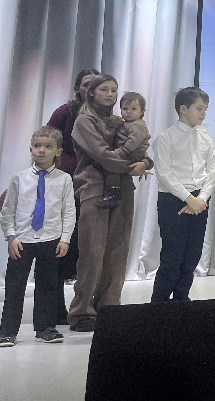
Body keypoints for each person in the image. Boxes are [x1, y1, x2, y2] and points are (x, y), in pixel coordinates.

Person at [69, 74, 151, 331]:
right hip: (94, 187)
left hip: (123, 188)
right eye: (104, 89)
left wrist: (145, 162)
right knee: (92, 252)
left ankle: (109, 307)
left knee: (118, 250)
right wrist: (133, 167)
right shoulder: (84, 121)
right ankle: (82, 312)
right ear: (91, 92)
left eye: (114, 90)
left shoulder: (119, 121)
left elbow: (140, 149)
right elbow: (102, 155)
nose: (110, 94)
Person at [0, 127, 75, 346]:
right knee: (15, 286)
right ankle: (7, 331)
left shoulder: (64, 180)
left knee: (48, 285)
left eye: (48, 146)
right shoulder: (19, 178)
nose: (42, 150)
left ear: (58, 151)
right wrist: (11, 237)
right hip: (21, 241)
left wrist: (65, 239)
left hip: (51, 239)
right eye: (37, 146)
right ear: (30, 149)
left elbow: (69, 212)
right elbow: (7, 210)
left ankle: (45, 328)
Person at [150, 87, 215, 303]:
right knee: (173, 255)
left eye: (205, 109)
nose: (203, 114)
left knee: (192, 255)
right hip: (173, 200)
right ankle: (159, 303)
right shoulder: (165, 137)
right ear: (183, 109)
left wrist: (201, 199)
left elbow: (212, 172)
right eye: (199, 109)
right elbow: (164, 174)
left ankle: (181, 299)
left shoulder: (206, 139)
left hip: (200, 200)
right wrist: (189, 199)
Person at [47, 68, 99, 324]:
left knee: (88, 249)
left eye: (95, 84)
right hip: (65, 187)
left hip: (94, 188)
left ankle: (85, 308)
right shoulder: (64, 112)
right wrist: (72, 168)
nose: (90, 89)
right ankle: (55, 309)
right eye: (86, 84)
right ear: (77, 88)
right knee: (60, 247)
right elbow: (49, 143)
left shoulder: (106, 115)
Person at [98, 92, 149, 210]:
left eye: (133, 109)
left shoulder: (137, 125)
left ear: (142, 112)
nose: (128, 112)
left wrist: (118, 152)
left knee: (112, 165)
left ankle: (113, 192)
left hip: (131, 154)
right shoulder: (126, 123)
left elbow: (132, 143)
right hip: (128, 153)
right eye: (125, 109)